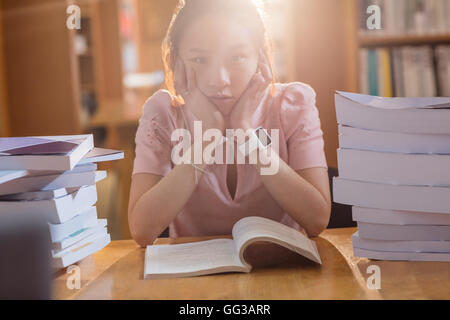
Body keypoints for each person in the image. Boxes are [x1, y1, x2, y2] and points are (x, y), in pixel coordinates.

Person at [128, 0, 331, 265]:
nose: (220, 79)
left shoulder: (293, 104)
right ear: (177, 61)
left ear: (259, 56)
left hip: (282, 276)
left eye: (236, 58)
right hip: (193, 281)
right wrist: (208, 136)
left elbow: (316, 220)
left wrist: (245, 132)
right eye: (200, 59)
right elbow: (142, 230)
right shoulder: (163, 112)